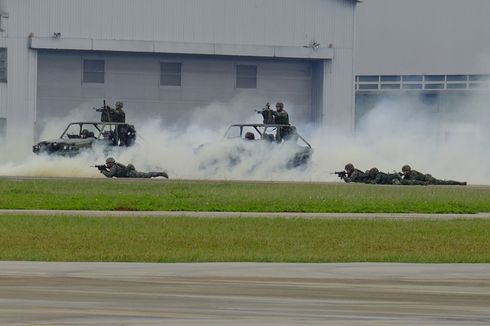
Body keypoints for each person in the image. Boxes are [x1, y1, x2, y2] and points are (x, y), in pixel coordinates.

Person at [98, 157, 169, 179]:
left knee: (148, 175)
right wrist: (104, 170)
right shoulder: (115, 166)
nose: (108, 165)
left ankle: (161, 173)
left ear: (111, 163)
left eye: (108, 163)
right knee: (147, 175)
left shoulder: (114, 166)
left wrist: (103, 171)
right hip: (131, 174)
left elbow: (110, 175)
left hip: (132, 174)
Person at [400, 164, 466, 186]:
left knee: (443, 182)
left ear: (409, 170)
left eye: (406, 171)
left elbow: (413, 181)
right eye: (404, 171)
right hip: (426, 180)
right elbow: (405, 182)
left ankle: (460, 183)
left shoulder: (413, 173)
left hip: (427, 178)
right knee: (442, 182)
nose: (405, 172)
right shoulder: (407, 176)